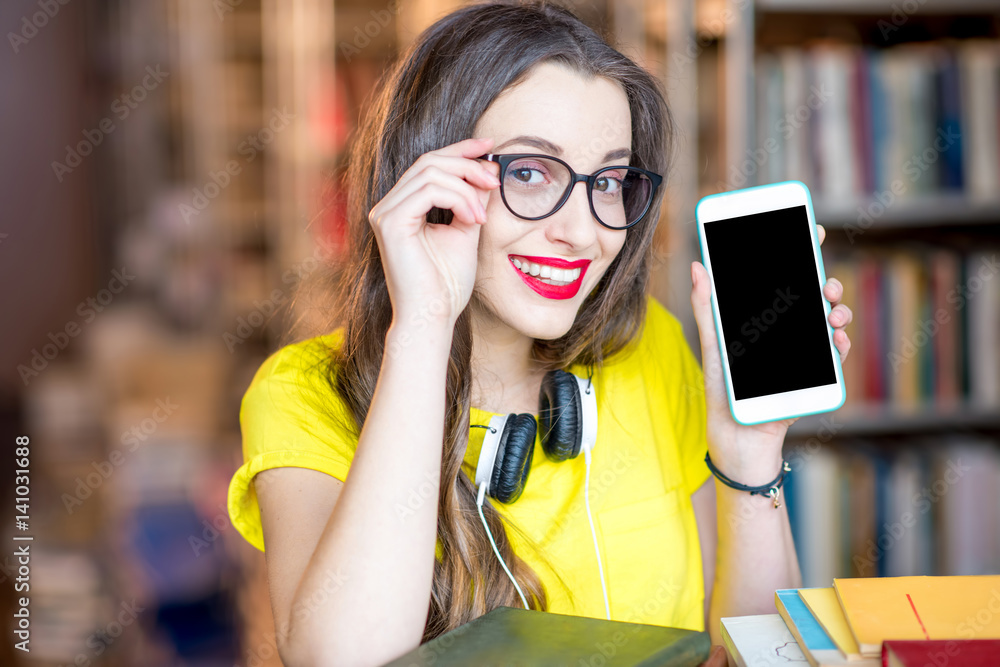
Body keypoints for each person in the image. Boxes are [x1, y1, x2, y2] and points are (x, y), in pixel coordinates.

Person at [226, 2, 854, 665]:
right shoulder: (303, 394)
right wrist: (425, 322)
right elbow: (341, 657)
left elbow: (758, 653)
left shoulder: (652, 351)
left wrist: (748, 455)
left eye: (609, 180)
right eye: (530, 172)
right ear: (431, 178)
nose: (583, 232)